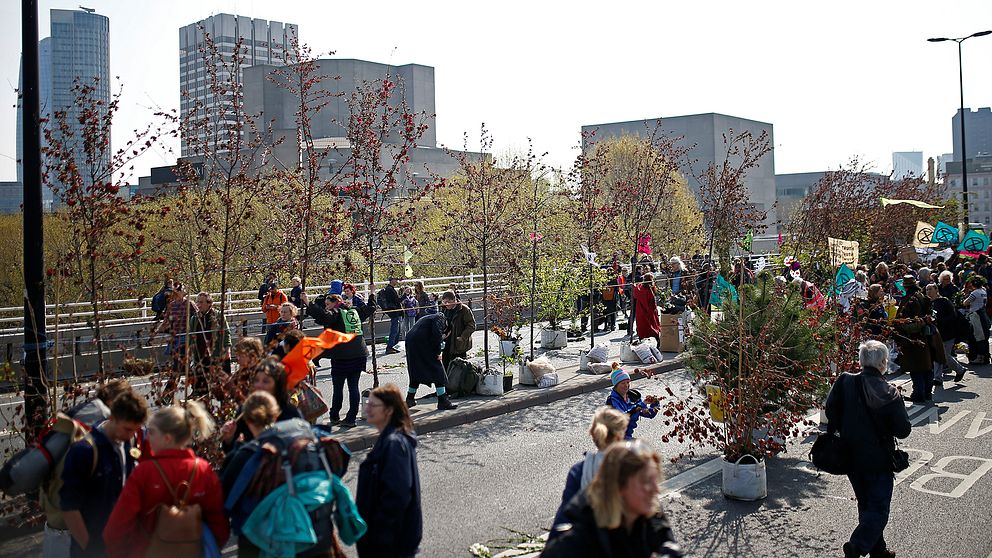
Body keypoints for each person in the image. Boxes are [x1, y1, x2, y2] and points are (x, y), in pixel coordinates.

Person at [103, 401, 228, 558]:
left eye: (152, 432)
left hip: (145, 550)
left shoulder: (144, 472)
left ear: (167, 438)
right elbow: (218, 522)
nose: (148, 437)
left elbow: (118, 526)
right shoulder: (203, 470)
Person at [824, 340, 911, 558]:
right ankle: (858, 545)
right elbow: (903, 430)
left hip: (849, 454)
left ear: (861, 361)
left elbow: (830, 411)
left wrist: (844, 428)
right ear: (883, 362)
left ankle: (878, 550)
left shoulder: (844, 380)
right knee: (879, 508)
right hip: (878, 458)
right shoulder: (889, 392)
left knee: (865, 503)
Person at [542, 440, 683, 558]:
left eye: (655, 480)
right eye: (646, 482)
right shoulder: (577, 544)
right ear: (619, 486)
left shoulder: (653, 521)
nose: (656, 489)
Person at [59, 391, 148, 558]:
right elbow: (69, 508)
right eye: (127, 429)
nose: (131, 435)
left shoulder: (128, 443)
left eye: (135, 430)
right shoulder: (84, 451)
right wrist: (91, 549)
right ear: (112, 418)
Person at [356, 385, 422, 558]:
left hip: (390, 543)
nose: (366, 408)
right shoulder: (390, 439)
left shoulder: (394, 444)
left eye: (372, 405)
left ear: (389, 410)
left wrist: (379, 533)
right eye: (367, 404)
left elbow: (397, 495)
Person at [549, 408, 629, 540]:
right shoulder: (636, 467)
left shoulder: (579, 472)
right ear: (620, 436)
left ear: (593, 434)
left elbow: (564, 518)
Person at [307, 293, 375, 428]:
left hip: (342, 356)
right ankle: (351, 418)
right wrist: (372, 294)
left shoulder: (336, 313)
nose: (326, 307)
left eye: (328, 304)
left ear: (336, 303)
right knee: (353, 387)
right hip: (359, 353)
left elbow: (323, 317)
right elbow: (371, 308)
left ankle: (334, 416)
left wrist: (308, 303)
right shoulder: (355, 311)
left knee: (338, 388)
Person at [220, 357, 302, 453]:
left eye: (266, 381)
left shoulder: (289, 412)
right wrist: (229, 439)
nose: (259, 385)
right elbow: (232, 452)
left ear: (278, 385)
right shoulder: (246, 410)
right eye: (257, 380)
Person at [404, 313, 457, 411]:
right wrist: (438, 352)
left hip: (410, 341)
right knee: (438, 370)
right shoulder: (441, 319)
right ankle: (443, 400)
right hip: (422, 342)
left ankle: (410, 398)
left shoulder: (429, 317)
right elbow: (437, 334)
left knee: (415, 370)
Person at [894, 276, 933, 402]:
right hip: (923, 335)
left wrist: (896, 330)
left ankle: (919, 394)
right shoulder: (922, 297)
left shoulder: (908, 300)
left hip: (912, 337)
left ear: (905, 286)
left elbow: (900, 320)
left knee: (915, 366)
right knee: (926, 365)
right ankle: (927, 392)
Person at [187, 291, 232, 398]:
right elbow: (190, 336)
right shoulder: (194, 318)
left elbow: (226, 333)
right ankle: (198, 394)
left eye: (201, 302)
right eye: (197, 302)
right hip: (200, 354)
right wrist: (189, 351)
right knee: (199, 378)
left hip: (215, 353)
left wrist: (227, 349)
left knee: (222, 383)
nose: (198, 304)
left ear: (209, 303)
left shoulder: (218, 316)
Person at [927, 283, 967, 385]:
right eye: (927, 290)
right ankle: (938, 378)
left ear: (936, 290)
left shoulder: (944, 301)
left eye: (930, 289)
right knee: (937, 354)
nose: (928, 292)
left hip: (947, 333)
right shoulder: (928, 303)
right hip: (935, 333)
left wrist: (940, 321)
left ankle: (960, 369)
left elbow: (953, 315)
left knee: (944, 355)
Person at [606, 367, 659, 439]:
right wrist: (640, 406)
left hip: (627, 436)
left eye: (628, 382)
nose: (626, 385)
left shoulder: (633, 397)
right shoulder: (612, 401)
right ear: (616, 385)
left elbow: (649, 414)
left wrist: (655, 404)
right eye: (623, 383)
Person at [440, 290, 475, 371]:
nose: (446, 304)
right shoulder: (444, 309)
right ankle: (446, 383)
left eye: (448, 302)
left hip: (458, 344)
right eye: (444, 302)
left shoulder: (464, 309)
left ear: (454, 300)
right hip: (446, 343)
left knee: (458, 369)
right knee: (445, 367)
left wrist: (463, 337)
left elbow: (471, 325)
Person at [961, 275, 990, 365]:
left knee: (978, 336)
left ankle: (980, 357)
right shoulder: (984, 291)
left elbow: (965, 302)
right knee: (984, 336)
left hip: (976, 315)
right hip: (983, 313)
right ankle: (985, 356)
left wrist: (965, 296)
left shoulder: (975, 293)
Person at [632, 272, 662, 349]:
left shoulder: (639, 288)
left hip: (641, 312)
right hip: (650, 312)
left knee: (642, 327)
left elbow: (635, 293)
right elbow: (652, 301)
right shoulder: (650, 290)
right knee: (652, 327)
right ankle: (657, 341)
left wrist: (634, 286)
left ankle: (642, 343)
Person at [231, 337, 265, 402]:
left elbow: (248, 400)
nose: (237, 359)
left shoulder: (260, 374)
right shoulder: (243, 371)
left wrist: (230, 386)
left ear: (252, 356)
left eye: (240, 355)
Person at [377, 277, 403, 354]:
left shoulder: (390, 289)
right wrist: (404, 295)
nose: (397, 281)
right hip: (394, 312)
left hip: (395, 312)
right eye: (396, 280)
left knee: (397, 330)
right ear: (392, 280)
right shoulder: (390, 289)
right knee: (394, 330)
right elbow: (397, 300)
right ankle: (390, 347)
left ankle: (394, 346)